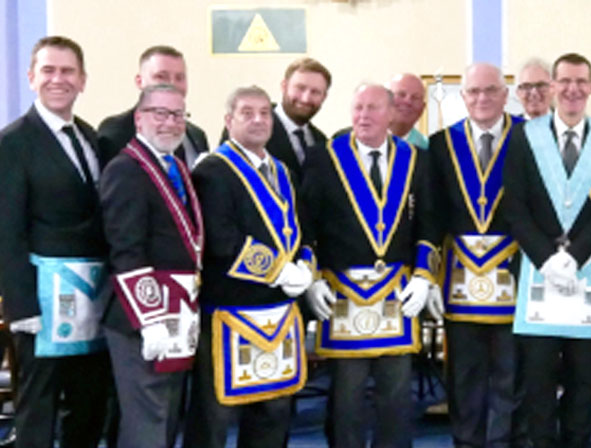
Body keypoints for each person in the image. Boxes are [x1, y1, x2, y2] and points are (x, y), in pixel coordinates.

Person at [298, 83, 438, 447]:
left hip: (397, 292)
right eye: (357, 107)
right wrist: (312, 279)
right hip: (342, 293)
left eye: (373, 108)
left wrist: (425, 276)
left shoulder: (416, 160)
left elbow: (428, 225)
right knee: (347, 394)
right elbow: (306, 225)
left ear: (391, 114)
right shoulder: (324, 158)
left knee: (395, 394)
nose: (363, 116)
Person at [503, 53, 591, 448]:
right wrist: (546, 257)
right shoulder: (525, 138)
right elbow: (516, 206)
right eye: (565, 81)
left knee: (581, 373)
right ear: (552, 87)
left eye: (581, 81)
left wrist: (573, 256)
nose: (573, 89)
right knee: (537, 375)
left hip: (587, 271)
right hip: (537, 271)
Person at [184, 85, 314, 448]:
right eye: (247, 113)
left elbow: (301, 228)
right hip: (229, 311)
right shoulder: (213, 170)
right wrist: (280, 271)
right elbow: (222, 240)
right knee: (214, 417)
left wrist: (306, 265)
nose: (258, 120)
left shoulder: (282, 171)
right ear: (228, 120)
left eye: (265, 113)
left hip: (279, 313)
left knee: (274, 411)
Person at [0, 35, 113, 448]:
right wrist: (21, 307)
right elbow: (6, 230)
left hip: (93, 297)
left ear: (82, 80)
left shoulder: (91, 137)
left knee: (89, 403)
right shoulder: (11, 143)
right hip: (42, 305)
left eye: (68, 71)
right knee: (38, 409)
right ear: (31, 78)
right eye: (48, 70)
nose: (58, 79)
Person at [98, 83, 204, 448]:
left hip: (178, 315)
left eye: (178, 115)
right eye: (160, 113)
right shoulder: (125, 170)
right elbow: (126, 250)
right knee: (148, 422)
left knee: (168, 417)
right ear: (139, 118)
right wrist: (150, 318)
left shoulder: (174, 166)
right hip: (141, 319)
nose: (170, 123)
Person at [428, 62, 525, 448]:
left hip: (516, 271)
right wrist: (427, 275)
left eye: (490, 90)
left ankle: (506, 441)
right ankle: (466, 442)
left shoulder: (530, 137)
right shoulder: (441, 144)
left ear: (505, 95)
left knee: (511, 370)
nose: (481, 98)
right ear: (463, 96)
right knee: (464, 372)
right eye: (473, 91)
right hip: (459, 277)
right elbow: (432, 217)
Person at [221, 58, 331, 185]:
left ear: (324, 97)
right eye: (300, 88)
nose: (306, 98)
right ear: (284, 86)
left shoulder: (322, 142)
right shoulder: (248, 127)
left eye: (315, 92)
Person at [97, 45, 209, 167]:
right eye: (161, 76)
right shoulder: (115, 133)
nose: (172, 85)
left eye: (179, 78)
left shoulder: (197, 136)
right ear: (140, 82)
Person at [388, 73, 429, 149]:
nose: (408, 101)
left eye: (415, 98)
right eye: (401, 94)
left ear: (422, 108)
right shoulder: (362, 144)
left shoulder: (432, 153)